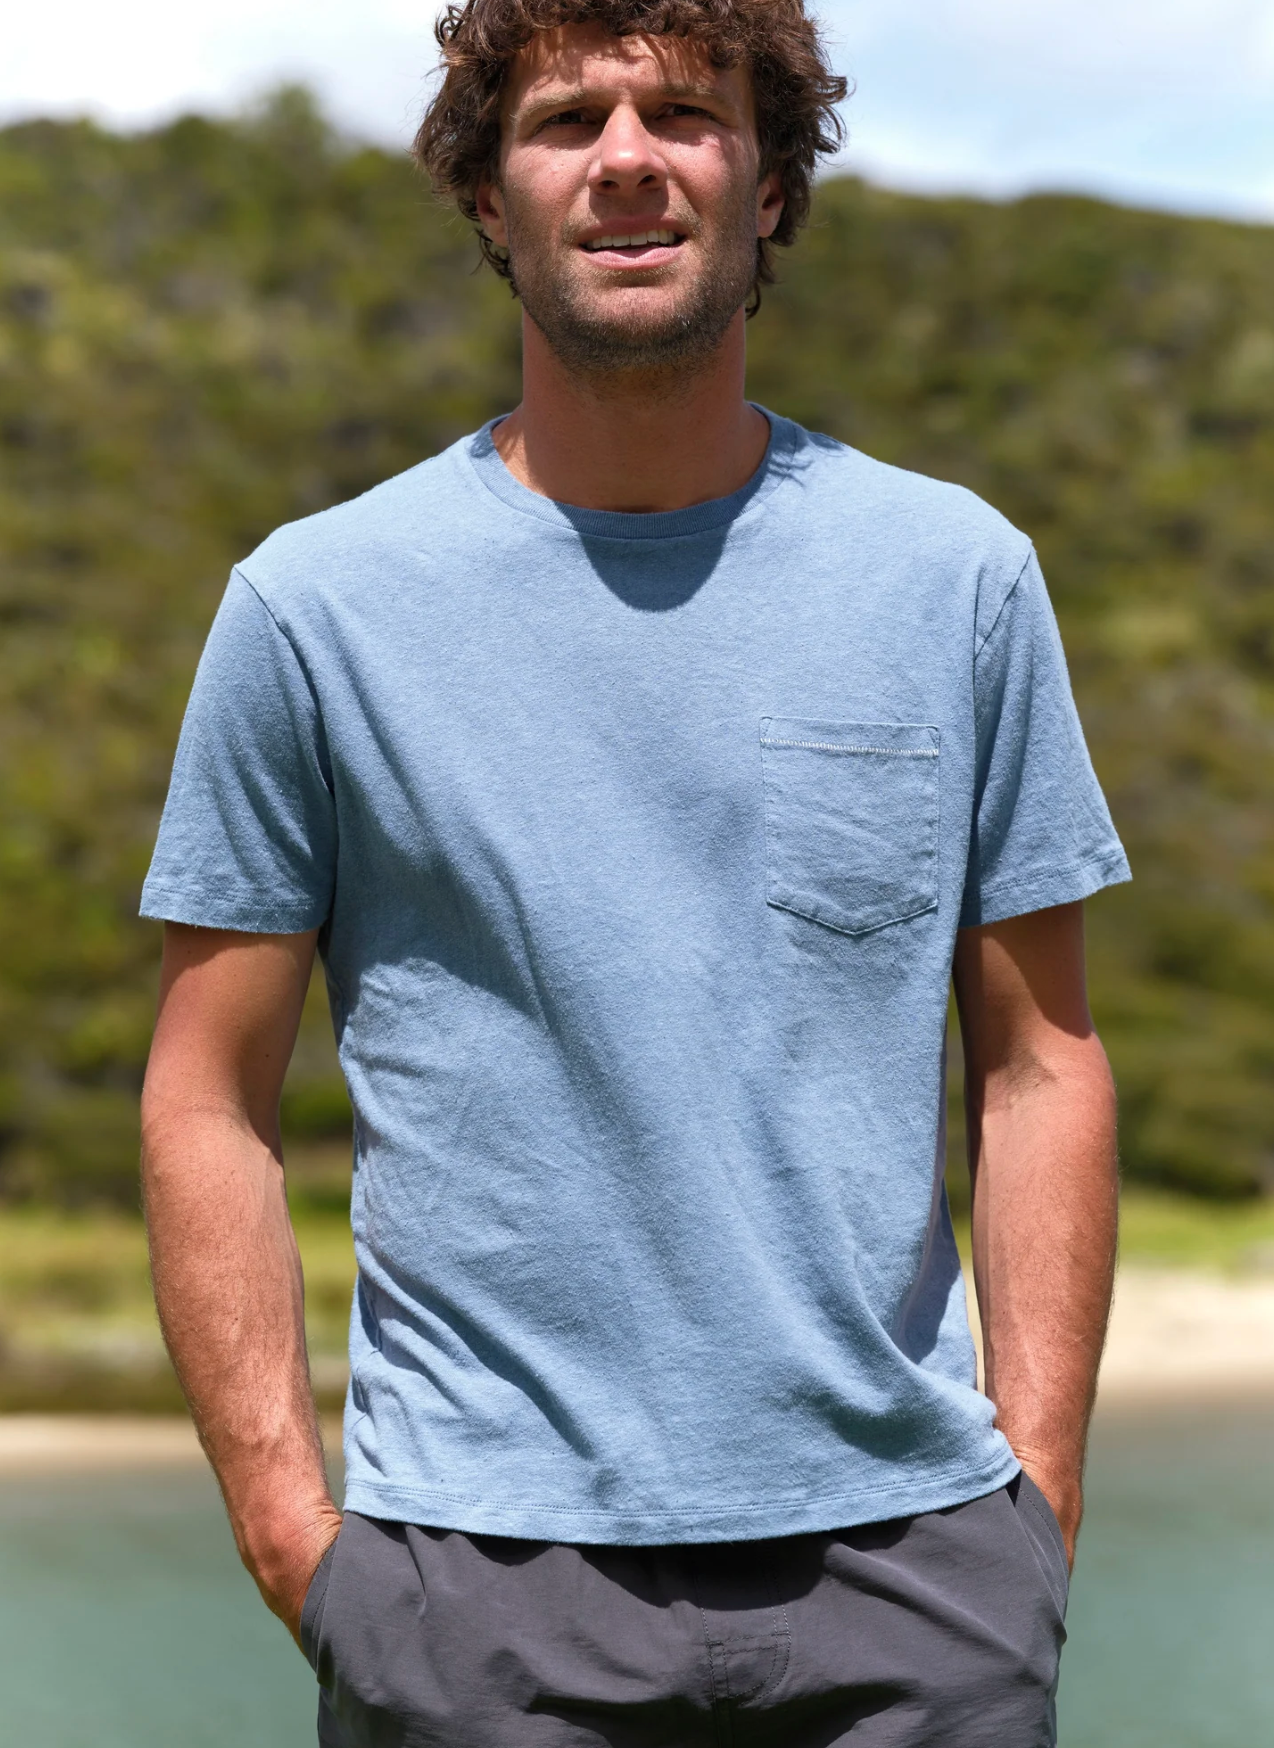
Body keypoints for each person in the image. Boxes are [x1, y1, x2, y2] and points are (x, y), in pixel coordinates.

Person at [139, 0, 1129, 1741]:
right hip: (472, 1596)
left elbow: (1041, 1064)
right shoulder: (314, 608)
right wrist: (308, 1552)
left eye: (683, 113)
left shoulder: (952, 579)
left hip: (914, 1588)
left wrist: (1028, 1509)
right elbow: (203, 1096)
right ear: (483, 197)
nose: (624, 161)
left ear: (767, 186)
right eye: (562, 120)